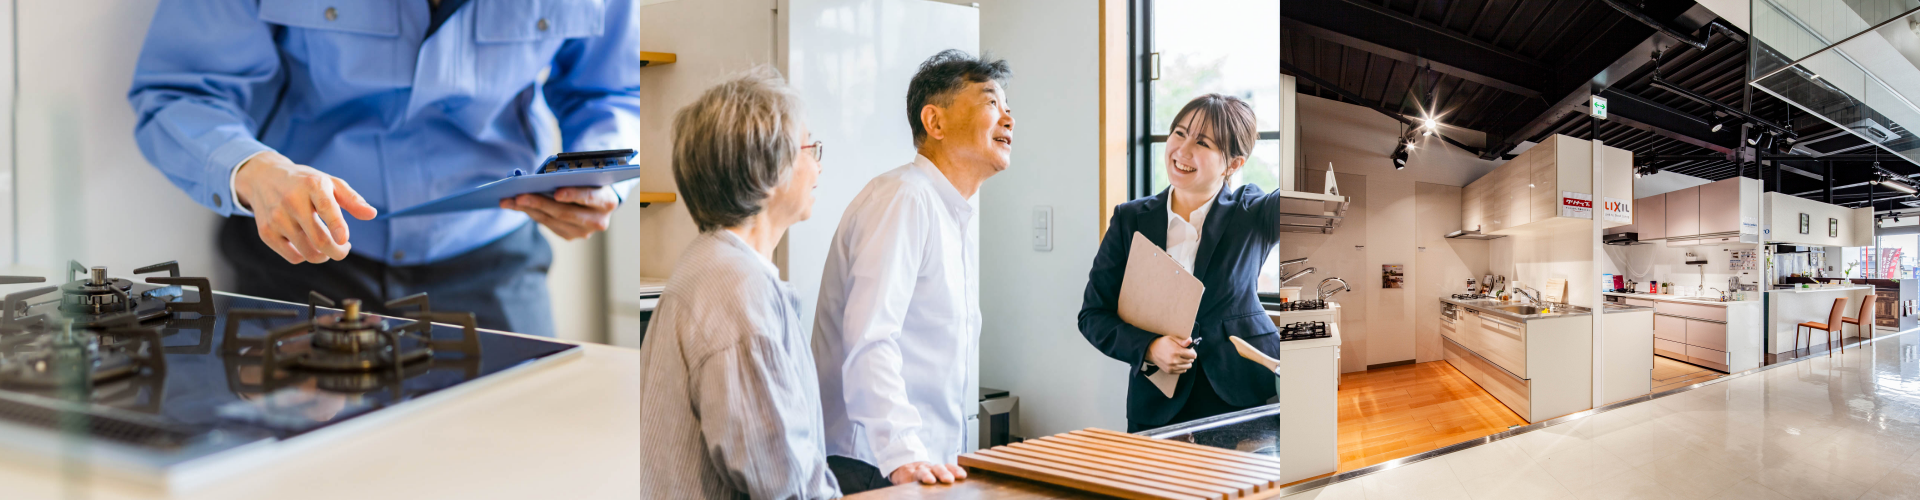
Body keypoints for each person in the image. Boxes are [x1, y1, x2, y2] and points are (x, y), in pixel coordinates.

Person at [127, 0, 638, 336]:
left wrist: (601, 178)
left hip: (490, 263)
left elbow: (611, 91)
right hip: (296, 261)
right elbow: (182, 91)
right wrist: (253, 172)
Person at [811, 49, 1013, 493]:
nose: (1008, 118)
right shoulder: (905, 198)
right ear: (934, 122)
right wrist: (903, 455)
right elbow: (870, 339)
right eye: (991, 102)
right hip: (873, 462)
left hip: (924, 463)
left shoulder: (951, 211)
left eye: (1008, 106)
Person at [638, 71, 838, 499]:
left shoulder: (715, 265)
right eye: (809, 147)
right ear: (766, 170)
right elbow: (779, 478)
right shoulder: (735, 289)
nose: (818, 163)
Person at [1078, 94, 1284, 432]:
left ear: (1233, 164)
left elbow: (1302, 196)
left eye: (1202, 142)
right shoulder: (1130, 219)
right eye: (1179, 132)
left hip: (1240, 396)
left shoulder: (1253, 213)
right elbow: (1093, 315)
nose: (1182, 150)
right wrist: (1150, 348)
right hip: (1158, 404)